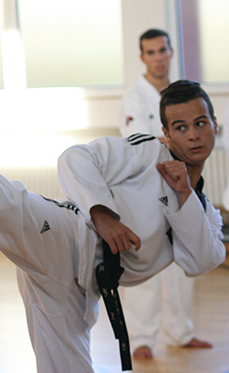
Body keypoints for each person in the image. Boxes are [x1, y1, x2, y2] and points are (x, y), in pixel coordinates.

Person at [0, 80, 225, 372]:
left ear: (215, 126)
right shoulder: (148, 153)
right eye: (181, 127)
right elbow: (75, 158)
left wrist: (183, 193)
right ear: (166, 134)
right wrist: (104, 216)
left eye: (200, 124)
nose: (193, 135)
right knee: (2, 201)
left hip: (80, 288)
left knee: (65, 366)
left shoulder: (201, 210)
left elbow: (202, 261)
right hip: (67, 234)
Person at [120, 29, 211, 359]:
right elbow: (139, 141)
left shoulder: (182, 94)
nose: (159, 57)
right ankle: (141, 337)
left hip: (181, 184)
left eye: (163, 50)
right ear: (143, 57)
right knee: (145, 260)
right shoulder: (134, 97)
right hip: (146, 189)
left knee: (180, 261)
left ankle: (180, 330)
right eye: (151, 52)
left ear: (171, 52)